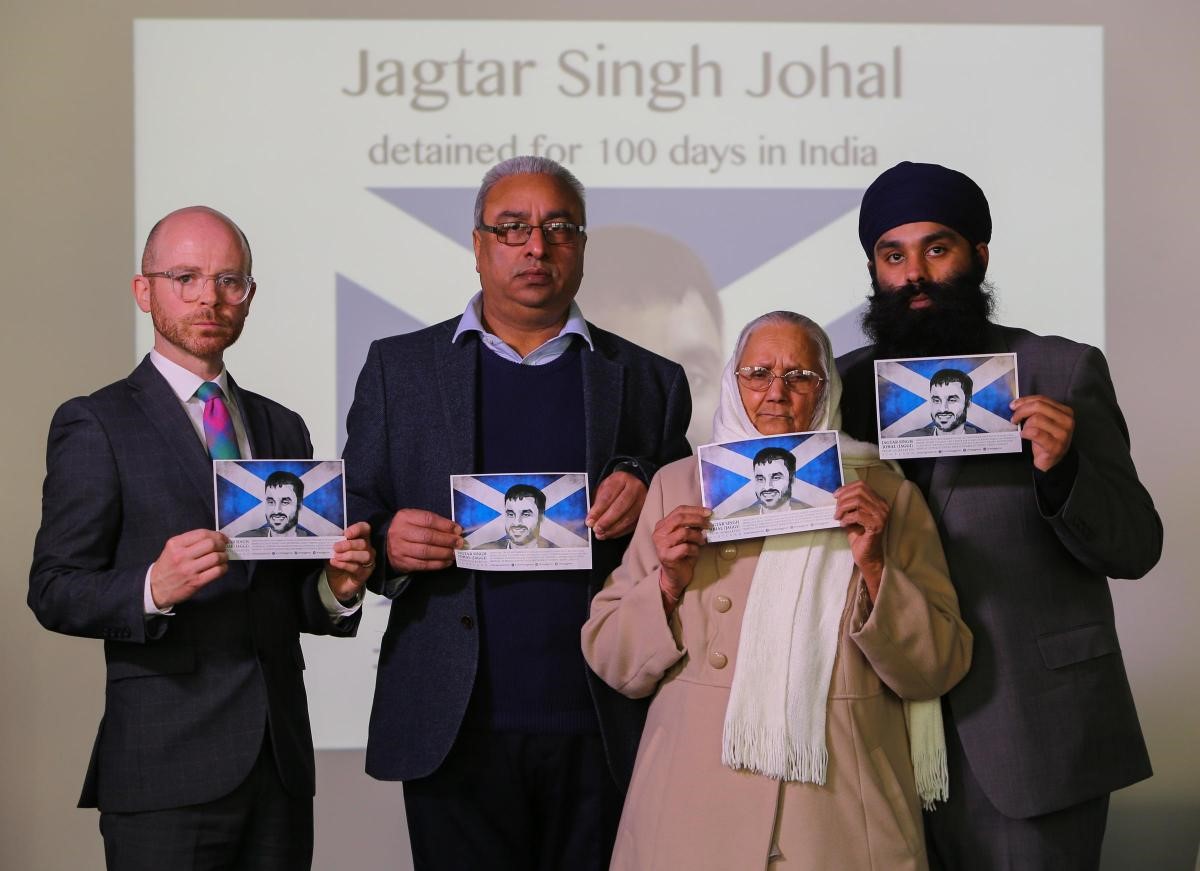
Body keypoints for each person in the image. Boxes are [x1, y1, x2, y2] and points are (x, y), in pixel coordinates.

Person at [343, 155, 692, 871]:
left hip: (602, 716)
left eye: (559, 227)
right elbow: (356, 505)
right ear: (478, 245)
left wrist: (641, 473)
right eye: (513, 228)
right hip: (454, 722)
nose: (538, 246)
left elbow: (686, 498)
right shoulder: (397, 369)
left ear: (584, 248)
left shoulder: (651, 380)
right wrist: (383, 539)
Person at [27, 206, 376, 871]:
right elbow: (53, 589)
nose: (209, 298)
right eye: (185, 277)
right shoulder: (95, 422)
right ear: (144, 290)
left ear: (248, 295)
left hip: (278, 766)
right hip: (165, 771)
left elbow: (282, 595)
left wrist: (334, 589)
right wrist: (153, 586)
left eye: (229, 281)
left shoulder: (282, 427)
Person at [837, 161, 1163, 870]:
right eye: (893, 255)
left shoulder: (1059, 370)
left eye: (937, 247)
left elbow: (1137, 545)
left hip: (1030, 732)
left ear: (979, 254)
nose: (915, 273)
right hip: (876, 738)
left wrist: (1064, 470)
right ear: (874, 268)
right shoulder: (838, 386)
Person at [582, 311, 972, 870]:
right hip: (694, 802)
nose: (776, 393)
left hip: (834, 810)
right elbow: (611, 657)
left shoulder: (882, 491)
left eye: (800, 376)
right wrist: (666, 584)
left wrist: (876, 566)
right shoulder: (677, 485)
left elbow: (937, 665)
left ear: (827, 386)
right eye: (758, 373)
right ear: (733, 383)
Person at [727, 446, 813, 516]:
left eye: (776, 478)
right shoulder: (735, 519)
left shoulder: (812, 515)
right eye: (760, 479)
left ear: (792, 479)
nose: (767, 487)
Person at [901, 369, 983, 437]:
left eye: (952, 400)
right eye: (936, 400)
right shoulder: (907, 439)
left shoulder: (983, 440)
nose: (943, 409)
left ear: (968, 403)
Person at [477, 483, 557, 549]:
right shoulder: (483, 551)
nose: (516, 523)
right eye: (511, 514)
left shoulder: (557, 554)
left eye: (526, 514)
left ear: (541, 517)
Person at [238, 470, 316, 537]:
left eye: (285, 502)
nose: (276, 511)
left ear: (299, 505)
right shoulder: (242, 540)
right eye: (271, 502)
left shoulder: (317, 544)